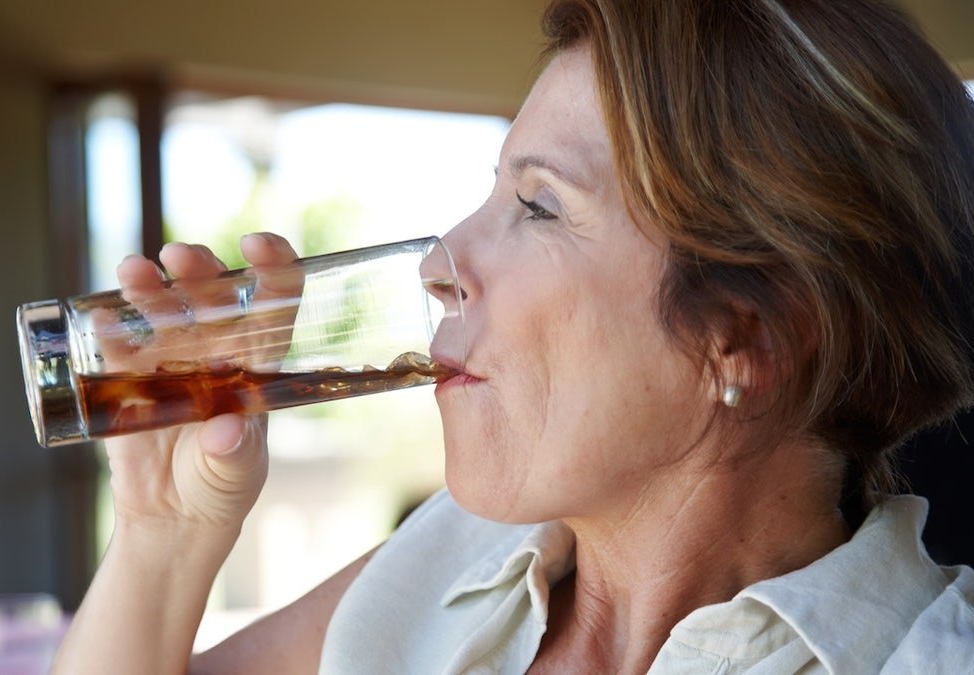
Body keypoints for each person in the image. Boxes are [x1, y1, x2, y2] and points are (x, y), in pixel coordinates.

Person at [53, 0, 974, 672]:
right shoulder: (462, 554)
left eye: (538, 205)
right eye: (495, 189)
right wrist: (164, 535)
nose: (440, 261)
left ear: (746, 334)